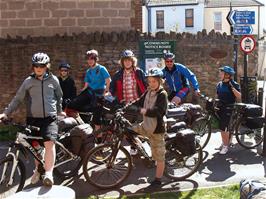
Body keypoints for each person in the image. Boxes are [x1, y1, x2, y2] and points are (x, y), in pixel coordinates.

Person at [0, 52, 66, 186]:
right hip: (33, 119)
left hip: (50, 118)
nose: (39, 68)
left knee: (49, 143)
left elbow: (59, 96)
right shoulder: (28, 82)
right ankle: (38, 169)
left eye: (41, 65)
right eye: (36, 66)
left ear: (47, 66)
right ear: (33, 67)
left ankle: (48, 173)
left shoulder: (54, 80)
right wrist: (5, 113)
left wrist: (59, 111)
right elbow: (17, 99)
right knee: (35, 148)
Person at [129, 67, 168, 186]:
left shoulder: (162, 94)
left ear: (160, 81)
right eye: (149, 81)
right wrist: (127, 106)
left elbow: (158, 111)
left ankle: (158, 180)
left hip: (157, 129)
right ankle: (143, 150)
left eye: (154, 81)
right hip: (146, 125)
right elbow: (139, 101)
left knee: (159, 156)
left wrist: (142, 111)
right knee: (128, 131)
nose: (151, 84)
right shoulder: (148, 91)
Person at [110, 49, 147, 155]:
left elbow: (146, 85)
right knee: (128, 128)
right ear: (122, 62)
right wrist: (113, 96)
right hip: (125, 105)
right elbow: (112, 89)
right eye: (125, 60)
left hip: (138, 103)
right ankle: (134, 146)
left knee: (139, 126)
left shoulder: (139, 72)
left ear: (132, 61)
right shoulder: (118, 74)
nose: (127, 62)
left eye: (129, 60)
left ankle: (140, 146)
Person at [67, 49, 111, 136]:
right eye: (88, 59)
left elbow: (108, 81)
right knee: (72, 104)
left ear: (95, 59)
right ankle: (81, 123)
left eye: (92, 58)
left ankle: (99, 137)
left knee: (96, 117)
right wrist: (79, 96)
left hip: (99, 92)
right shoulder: (88, 71)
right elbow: (86, 86)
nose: (90, 61)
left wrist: (106, 92)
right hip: (90, 92)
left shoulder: (101, 68)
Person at [216, 66, 241, 155]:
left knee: (224, 128)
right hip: (220, 108)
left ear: (227, 75)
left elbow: (239, 96)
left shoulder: (234, 84)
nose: (220, 74)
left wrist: (232, 88)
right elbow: (218, 96)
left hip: (229, 108)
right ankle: (225, 142)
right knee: (222, 127)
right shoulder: (219, 84)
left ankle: (225, 146)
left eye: (221, 72)